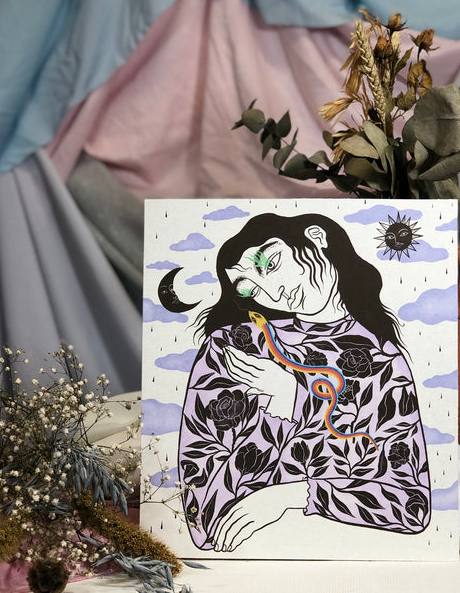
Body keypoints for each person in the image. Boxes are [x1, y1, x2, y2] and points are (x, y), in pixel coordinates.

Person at [178, 212, 431, 552]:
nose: (272, 292)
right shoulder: (236, 345)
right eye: (250, 288)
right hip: (245, 558)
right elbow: (204, 514)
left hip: (349, 558)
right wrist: (285, 412)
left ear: (316, 237)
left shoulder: (384, 362)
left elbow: (410, 506)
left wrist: (299, 493)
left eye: (271, 264)